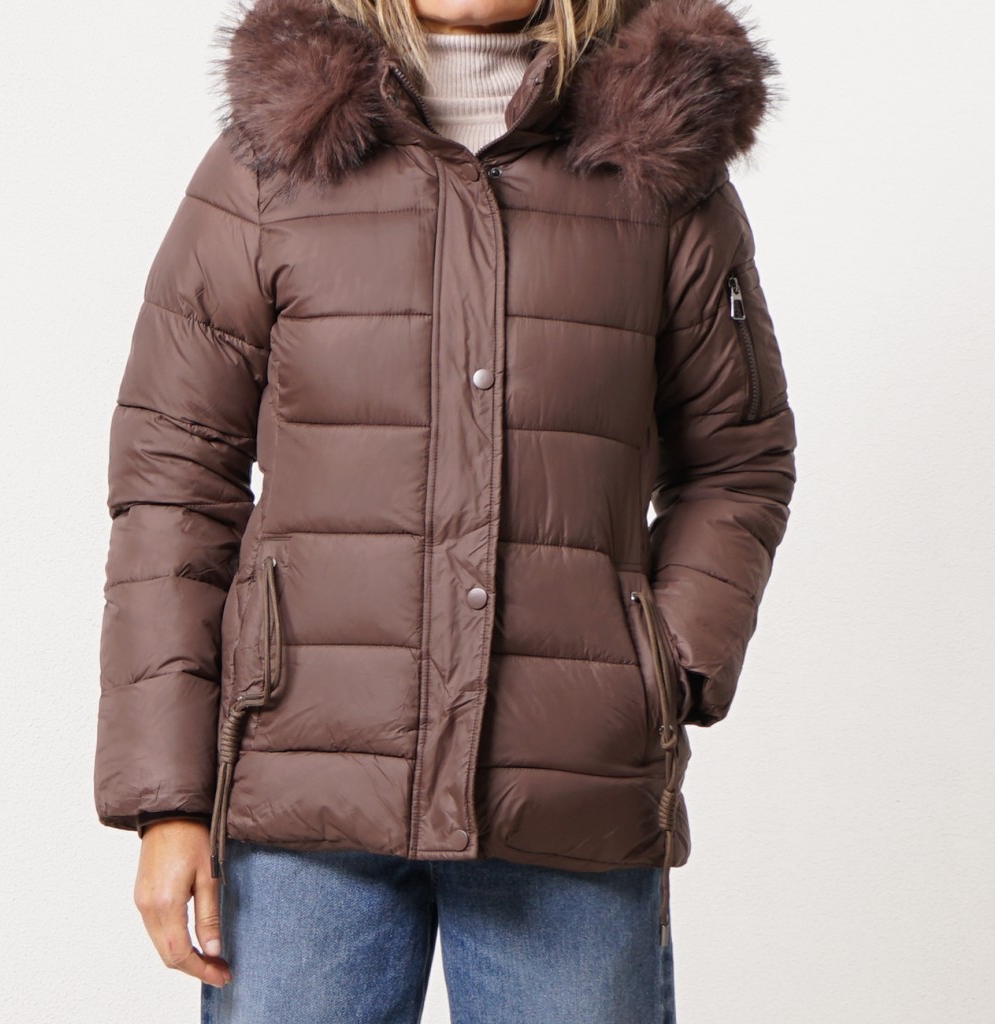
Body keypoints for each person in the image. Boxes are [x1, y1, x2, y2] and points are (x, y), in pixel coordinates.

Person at [93, 0, 797, 1020]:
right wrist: (167, 799)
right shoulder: (271, 161)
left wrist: (656, 669)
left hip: (569, 799)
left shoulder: (659, 168)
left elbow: (738, 459)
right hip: (302, 800)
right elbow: (171, 479)